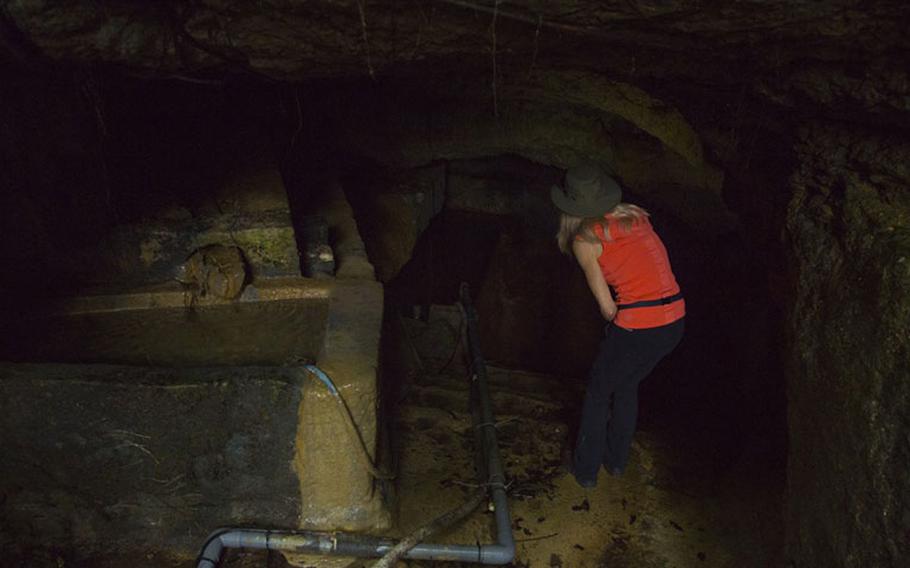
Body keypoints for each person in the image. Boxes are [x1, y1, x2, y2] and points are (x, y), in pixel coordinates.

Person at [551, 162, 685, 489]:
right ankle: (616, 462)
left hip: (641, 326)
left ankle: (585, 471)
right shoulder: (637, 217)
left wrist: (621, 324)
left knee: (598, 392)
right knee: (626, 384)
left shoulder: (585, 240)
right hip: (675, 322)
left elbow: (607, 306)